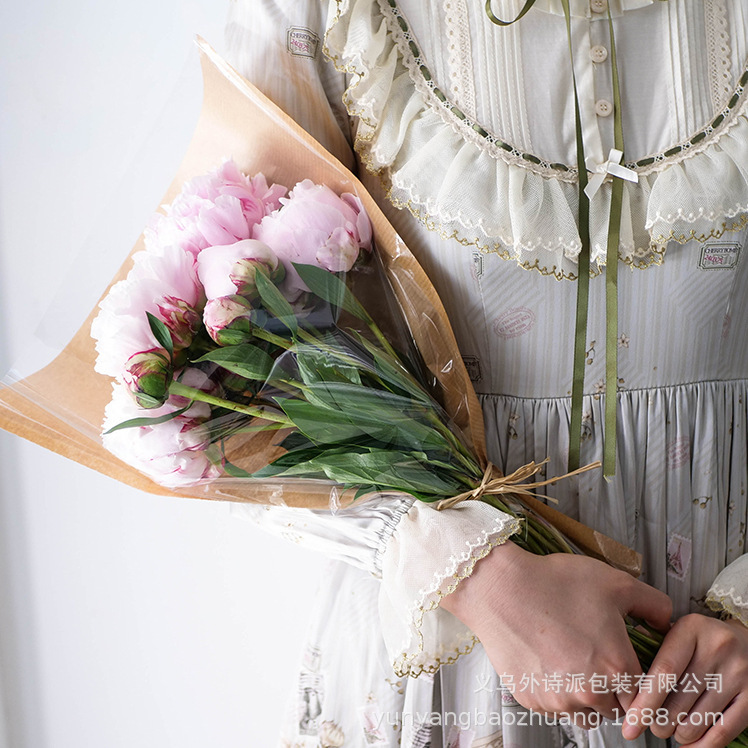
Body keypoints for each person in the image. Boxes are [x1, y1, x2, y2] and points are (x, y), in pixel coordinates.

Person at [225, 1, 748, 746]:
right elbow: (233, 374)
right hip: (451, 669)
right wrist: (483, 579)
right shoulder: (335, 11)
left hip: (717, 684)